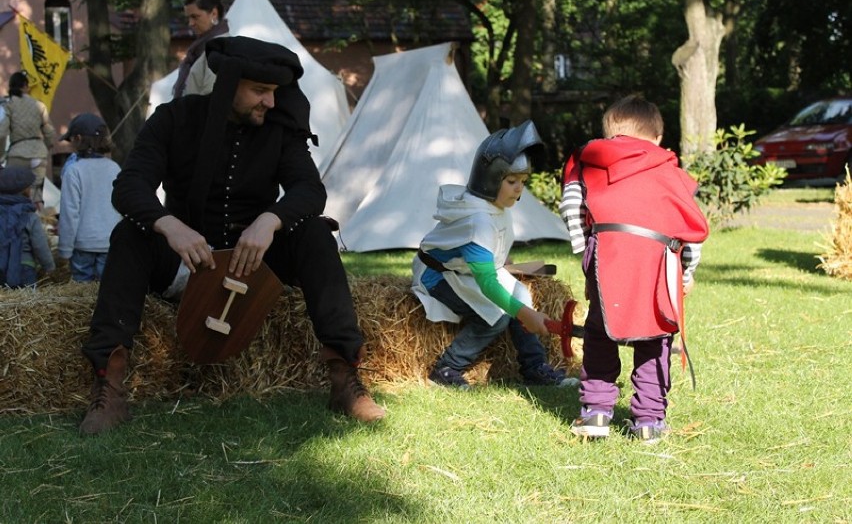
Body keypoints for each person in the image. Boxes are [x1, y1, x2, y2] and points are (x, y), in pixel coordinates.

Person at [77, 36, 385, 435]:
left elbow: (310, 191)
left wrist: (269, 220)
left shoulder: (280, 130)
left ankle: (345, 379)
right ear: (228, 85)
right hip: (185, 263)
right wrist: (171, 226)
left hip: (253, 264)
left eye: (274, 92)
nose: (270, 103)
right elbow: (129, 186)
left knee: (314, 233)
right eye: (259, 90)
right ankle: (109, 387)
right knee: (129, 235)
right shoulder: (174, 119)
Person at [559, 95, 709, 443]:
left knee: (599, 331)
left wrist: (586, 259)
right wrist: (686, 273)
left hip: (606, 252)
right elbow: (692, 228)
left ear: (610, 132)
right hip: (659, 258)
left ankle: (595, 414)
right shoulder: (669, 169)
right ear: (657, 137)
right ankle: (649, 421)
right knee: (656, 336)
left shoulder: (590, 160)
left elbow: (570, 207)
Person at [412, 120, 576, 389]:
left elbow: (487, 254)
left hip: (464, 272)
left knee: (520, 295)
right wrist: (525, 315)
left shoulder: (494, 208)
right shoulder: (478, 220)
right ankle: (446, 368)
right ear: (491, 178)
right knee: (497, 315)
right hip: (438, 277)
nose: (519, 188)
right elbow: (488, 284)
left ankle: (534, 367)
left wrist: (517, 297)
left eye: (522, 182)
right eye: (511, 181)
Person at [57, 113, 122, 282]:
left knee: (82, 294)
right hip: (110, 241)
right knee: (106, 289)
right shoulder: (114, 168)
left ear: (77, 138)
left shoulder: (74, 171)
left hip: (83, 244)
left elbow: (69, 212)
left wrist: (64, 250)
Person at [0, 71, 57, 209]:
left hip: (17, 153)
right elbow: (49, 131)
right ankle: (40, 225)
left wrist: (1, 155)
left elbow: (2, 133)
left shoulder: (8, 104)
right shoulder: (39, 105)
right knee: (36, 196)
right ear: (25, 86)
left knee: (12, 194)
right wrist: (48, 147)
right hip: (39, 153)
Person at [0, 166, 55, 288]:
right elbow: (40, 245)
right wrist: (49, 266)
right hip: (25, 267)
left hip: (1, 266)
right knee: (27, 302)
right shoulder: (29, 216)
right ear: (24, 190)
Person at [173, 0, 230, 98]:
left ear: (214, 13)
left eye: (195, 17)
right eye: (188, 18)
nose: (190, 23)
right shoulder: (201, 48)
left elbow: (210, 96)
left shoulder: (220, 47)